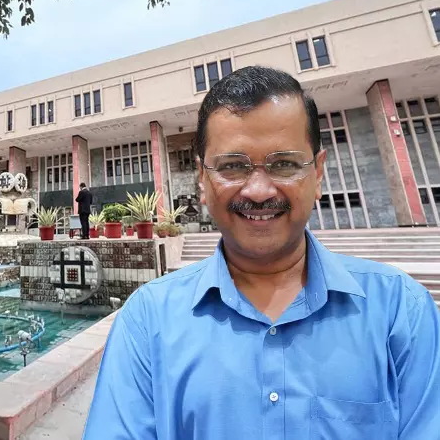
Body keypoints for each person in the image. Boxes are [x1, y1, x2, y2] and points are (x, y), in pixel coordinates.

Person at [83, 66, 440, 439]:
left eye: (284, 164)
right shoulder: (148, 321)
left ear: (318, 174)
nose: (258, 191)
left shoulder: (399, 311)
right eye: (233, 166)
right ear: (202, 180)